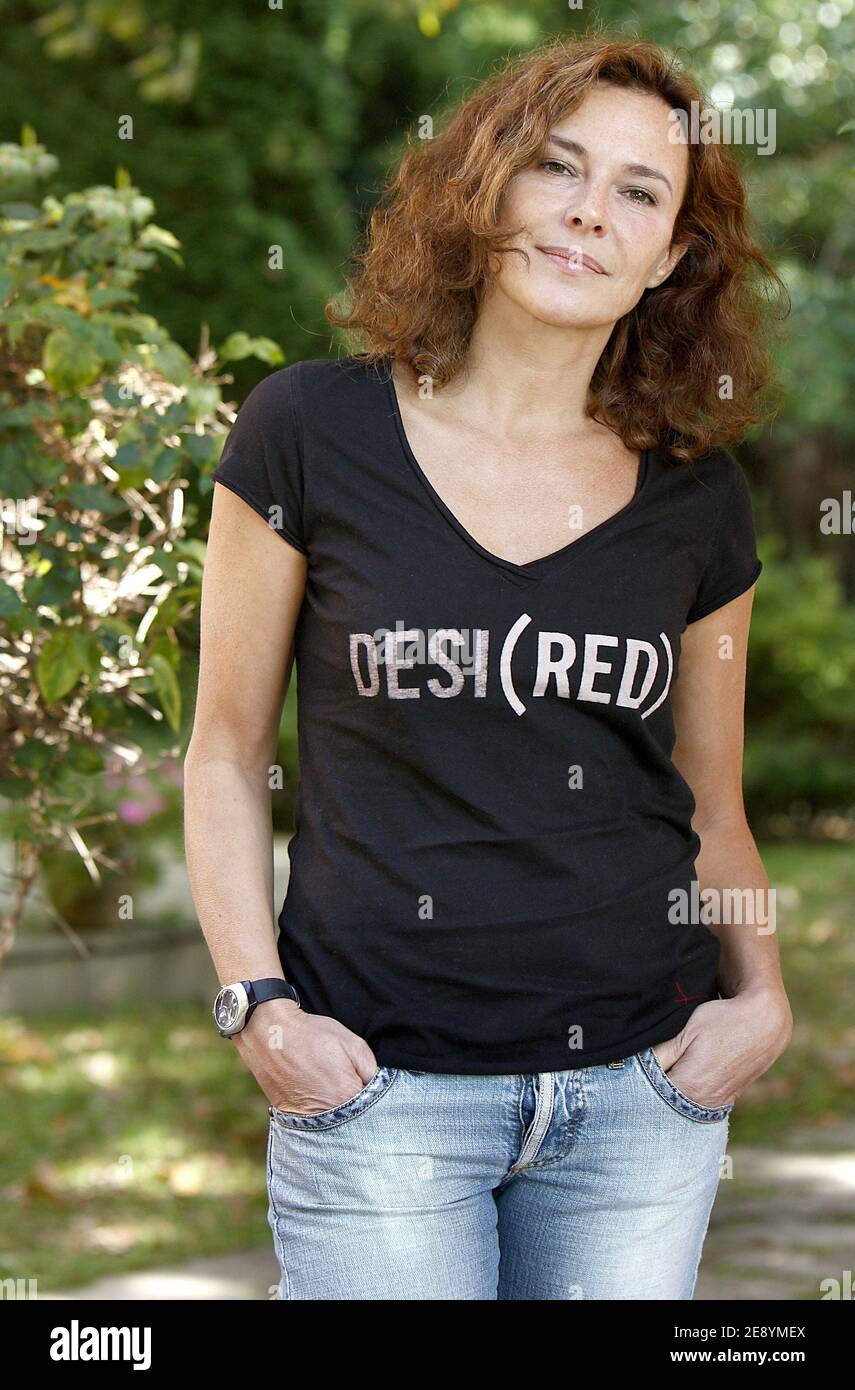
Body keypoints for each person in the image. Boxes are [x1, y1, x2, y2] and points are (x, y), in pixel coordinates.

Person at [184, 34, 793, 1300]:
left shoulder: (697, 500)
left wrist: (763, 1004)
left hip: (639, 1101)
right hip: (379, 1098)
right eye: (556, 166)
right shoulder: (307, 432)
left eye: (639, 191)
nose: (587, 212)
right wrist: (260, 1006)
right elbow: (227, 754)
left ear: (669, 256)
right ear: (485, 184)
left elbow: (714, 805)